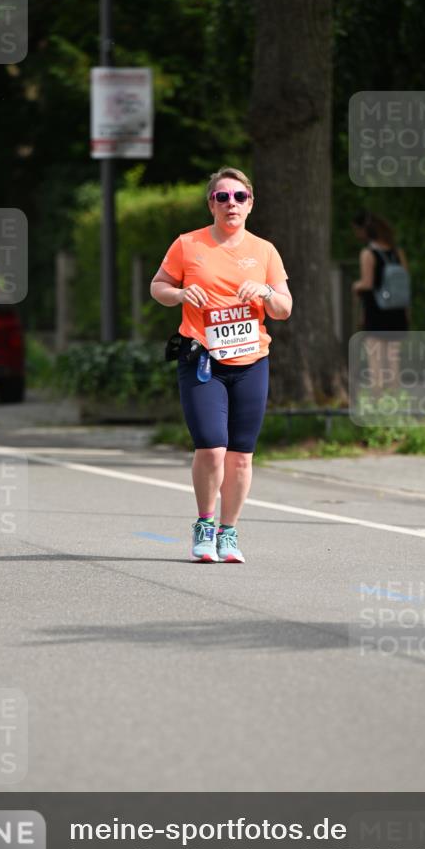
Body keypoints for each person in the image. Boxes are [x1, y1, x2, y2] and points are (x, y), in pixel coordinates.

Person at [150, 166, 292, 563]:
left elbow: (283, 308)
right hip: (202, 359)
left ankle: (229, 532)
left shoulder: (264, 251)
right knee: (212, 447)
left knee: (241, 455)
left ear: (250, 204)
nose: (232, 203)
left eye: (239, 197)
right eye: (222, 197)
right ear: (211, 204)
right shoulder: (188, 244)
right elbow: (158, 286)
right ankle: (205, 523)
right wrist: (180, 294)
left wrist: (265, 291)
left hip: (251, 361)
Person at [351, 210, 410, 396]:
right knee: (393, 360)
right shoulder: (398, 253)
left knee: (375, 360)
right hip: (397, 311)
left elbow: (367, 283)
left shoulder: (368, 254)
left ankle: (377, 399)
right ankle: (396, 399)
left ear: (364, 231)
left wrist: (356, 286)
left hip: (376, 311)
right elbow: (405, 283)